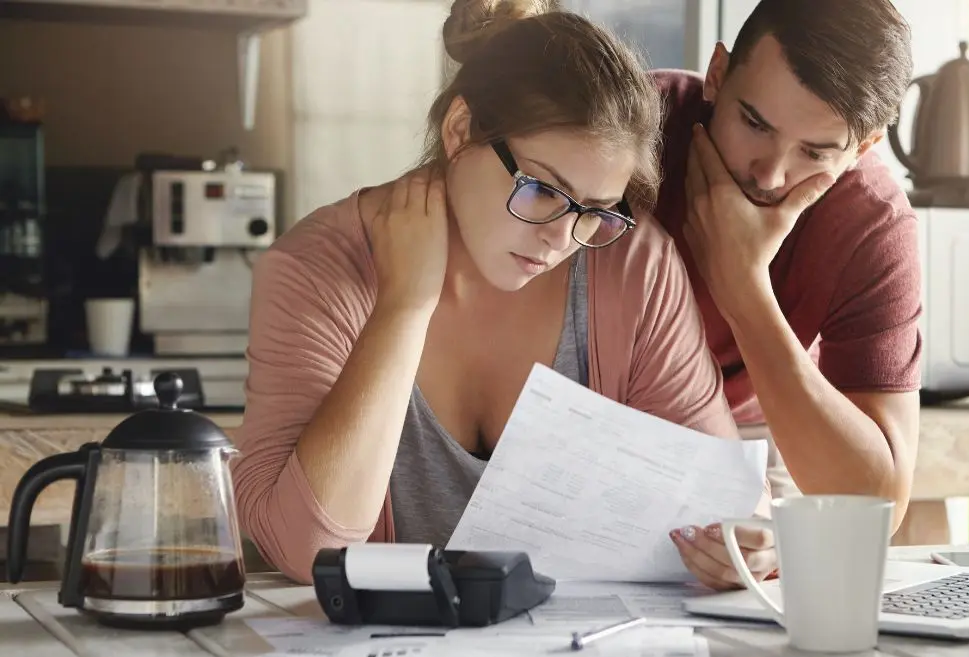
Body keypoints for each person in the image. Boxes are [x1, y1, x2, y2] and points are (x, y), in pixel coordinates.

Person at [231, 0, 775, 591]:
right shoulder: (315, 269)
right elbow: (306, 549)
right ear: (460, 130)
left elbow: (724, 499)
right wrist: (404, 306)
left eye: (595, 211)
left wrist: (745, 541)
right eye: (542, 189)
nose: (561, 238)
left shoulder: (632, 263)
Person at [651, 0, 923, 536]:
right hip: (577, 411)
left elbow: (879, 508)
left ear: (862, 148)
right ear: (717, 74)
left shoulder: (872, 222)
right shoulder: (631, 125)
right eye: (754, 123)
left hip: (757, 433)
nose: (772, 175)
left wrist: (744, 289)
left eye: (815, 153)